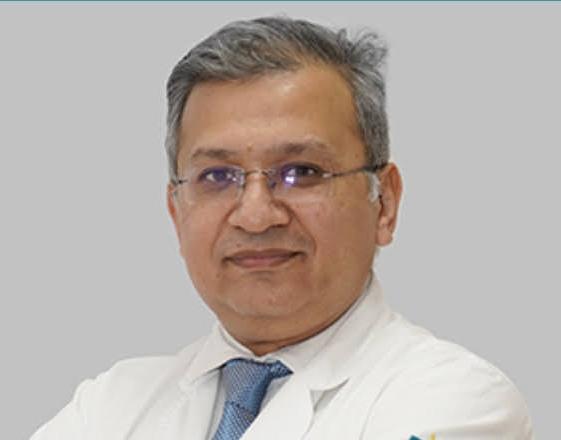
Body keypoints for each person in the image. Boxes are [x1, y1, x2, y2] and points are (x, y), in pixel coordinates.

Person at [31, 16, 534, 440]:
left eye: (302, 172)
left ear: (384, 203)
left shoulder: (459, 402)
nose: (255, 215)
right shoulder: (109, 405)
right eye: (217, 176)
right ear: (176, 212)